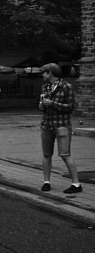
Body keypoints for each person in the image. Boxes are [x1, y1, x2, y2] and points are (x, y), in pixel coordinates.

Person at [38, 63, 82, 194]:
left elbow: (70, 107)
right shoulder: (45, 87)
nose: (42, 75)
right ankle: (46, 182)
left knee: (65, 154)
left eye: (44, 72)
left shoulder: (66, 87)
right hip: (46, 124)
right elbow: (43, 108)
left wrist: (52, 103)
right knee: (46, 154)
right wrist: (42, 105)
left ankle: (76, 183)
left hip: (62, 124)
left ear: (50, 72)